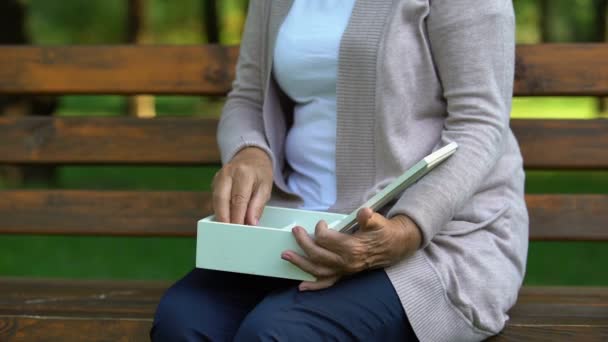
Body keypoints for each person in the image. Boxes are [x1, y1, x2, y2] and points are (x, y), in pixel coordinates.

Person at [151, 0, 528, 341]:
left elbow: (479, 124)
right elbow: (247, 96)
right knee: (183, 324)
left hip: (436, 239)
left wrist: (405, 230)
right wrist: (250, 150)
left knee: (278, 334)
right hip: (292, 232)